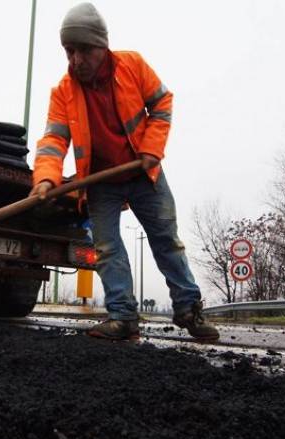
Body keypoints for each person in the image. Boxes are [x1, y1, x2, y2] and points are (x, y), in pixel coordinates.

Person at [30, 2, 219, 341]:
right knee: (106, 248)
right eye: (69, 51)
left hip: (144, 173)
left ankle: (189, 310)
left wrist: (151, 149)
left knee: (166, 241)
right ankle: (122, 317)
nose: (76, 60)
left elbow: (162, 102)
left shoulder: (131, 65)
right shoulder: (63, 92)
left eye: (84, 50)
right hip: (101, 182)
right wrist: (45, 178)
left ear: (102, 46)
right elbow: (53, 140)